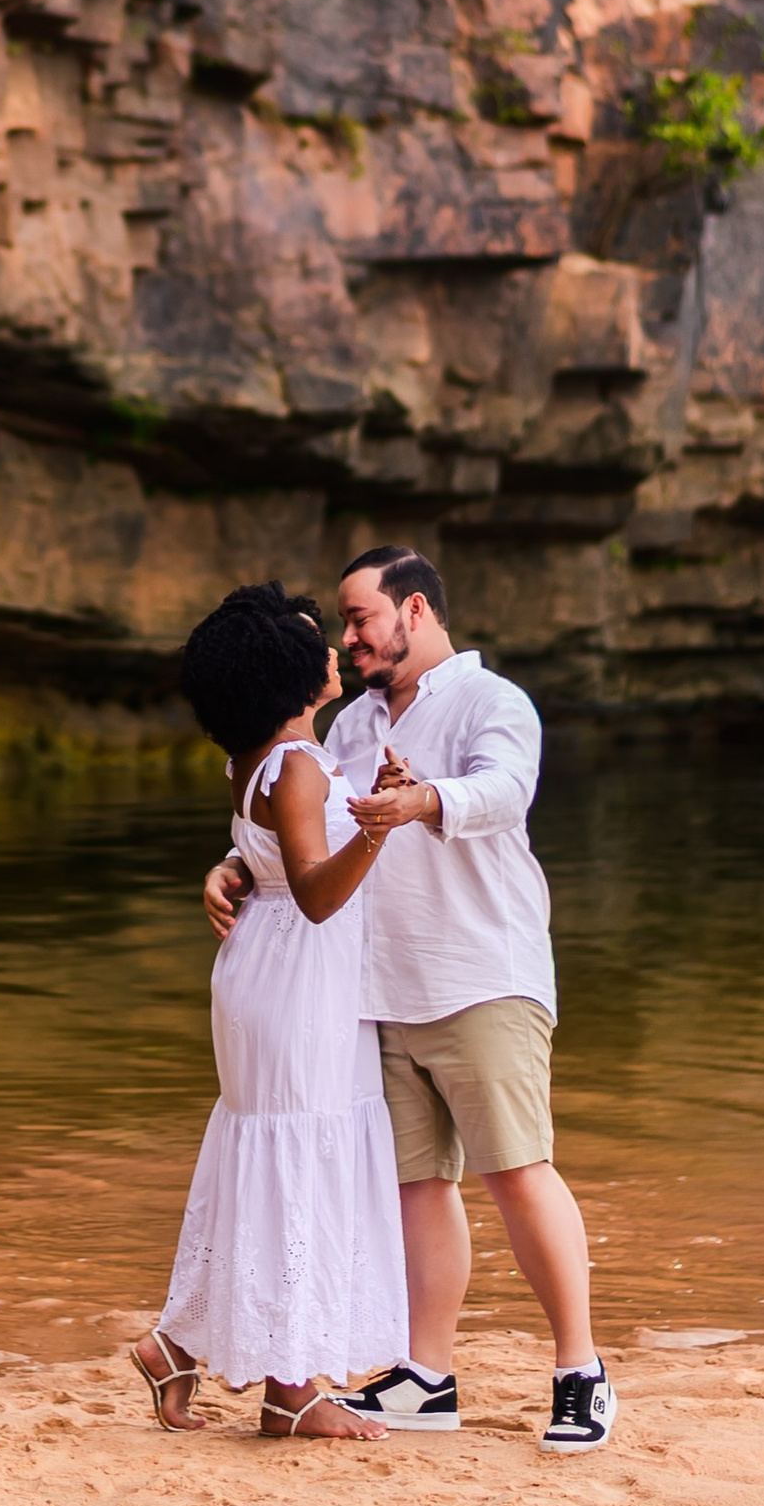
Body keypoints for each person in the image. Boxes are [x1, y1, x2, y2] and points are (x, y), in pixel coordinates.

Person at [204, 545, 615, 1452]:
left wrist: (424, 800)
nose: (348, 638)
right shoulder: (348, 724)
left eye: (360, 619)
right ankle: (428, 1375)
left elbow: (507, 791)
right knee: (416, 1186)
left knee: (518, 1170)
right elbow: (304, 823)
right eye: (344, 626)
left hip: (480, 973)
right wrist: (239, 862)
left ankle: (580, 1369)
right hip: (371, 990)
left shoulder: (491, 701)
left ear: (415, 610)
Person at [131, 584, 410, 1439]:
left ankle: (179, 1343)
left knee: (274, 1157)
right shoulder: (297, 765)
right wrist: (378, 826)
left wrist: (234, 866)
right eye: (314, 642)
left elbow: (270, 863)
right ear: (288, 674)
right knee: (301, 1158)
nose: (331, 650)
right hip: (299, 974)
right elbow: (319, 893)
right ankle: (292, 1388)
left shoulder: (261, 757)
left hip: (271, 967)